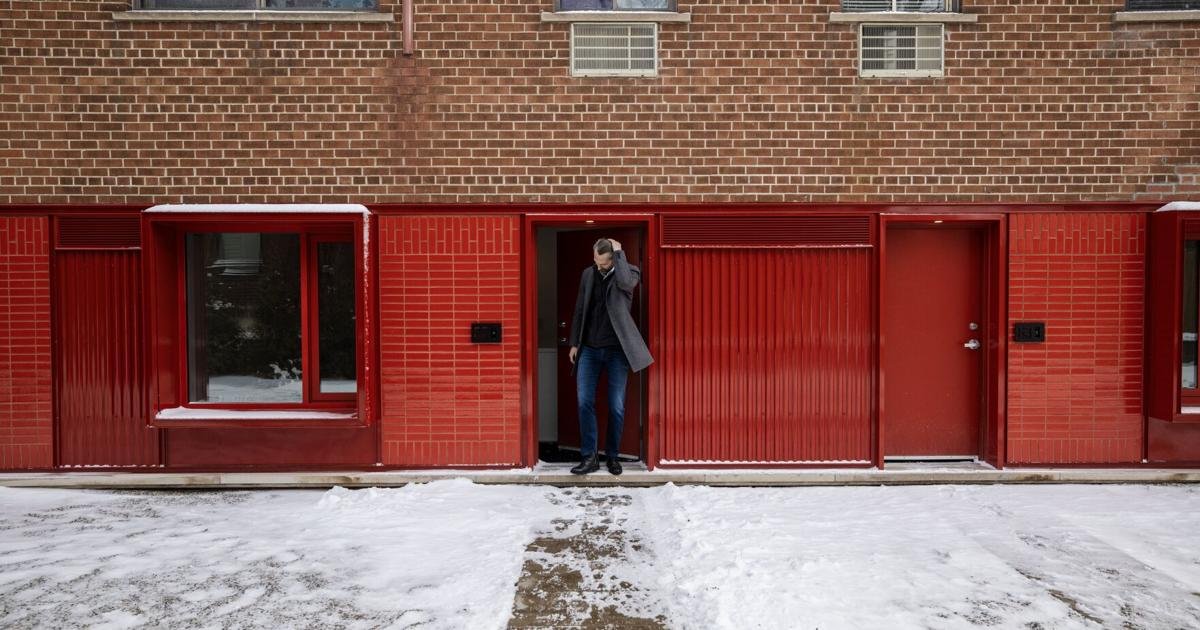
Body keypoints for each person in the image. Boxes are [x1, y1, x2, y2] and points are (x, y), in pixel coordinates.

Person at [567, 237, 654, 475]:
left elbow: (626, 284)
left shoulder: (629, 272)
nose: (598, 266)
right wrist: (575, 342)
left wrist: (620, 254)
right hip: (590, 349)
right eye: (595, 261)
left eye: (603, 263)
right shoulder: (588, 274)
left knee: (616, 406)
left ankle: (613, 456)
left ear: (613, 259)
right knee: (584, 401)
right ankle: (589, 457)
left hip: (617, 350)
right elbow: (580, 308)